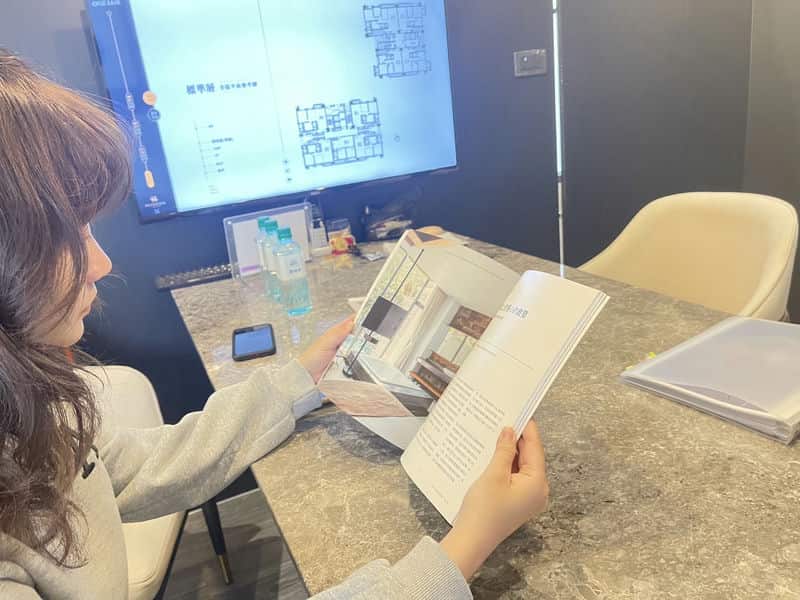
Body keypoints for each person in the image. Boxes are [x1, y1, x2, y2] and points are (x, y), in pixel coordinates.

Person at [0, 51, 549, 599]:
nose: (101, 263)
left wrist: (301, 378)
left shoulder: (25, 412)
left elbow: (136, 467)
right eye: (69, 237)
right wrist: (468, 544)